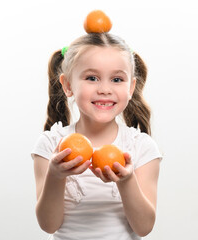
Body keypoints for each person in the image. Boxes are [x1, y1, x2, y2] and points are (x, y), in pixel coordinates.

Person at [31, 13, 163, 240]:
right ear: (68, 85)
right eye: (92, 78)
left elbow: (144, 227)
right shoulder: (52, 145)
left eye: (117, 79)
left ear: (131, 88)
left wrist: (126, 180)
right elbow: (48, 224)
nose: (104, 89)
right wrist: (55, 175)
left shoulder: (141, 147)